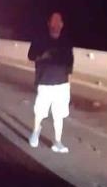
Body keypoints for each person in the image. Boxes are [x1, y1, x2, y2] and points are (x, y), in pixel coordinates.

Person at [27, 12, 74, 153]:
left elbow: (70, 66)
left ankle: (57, 142)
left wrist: (69, 86)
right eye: (53, 20)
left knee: (58, 115)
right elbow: (31, 56)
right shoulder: (40, 39)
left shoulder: (66, 42)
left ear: (62, 24)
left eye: (58, 21)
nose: (56, 23)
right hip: (44, 82)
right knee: (40, 112)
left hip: (62, 84)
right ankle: (35, 133)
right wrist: (43, 55)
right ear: (49, 23)